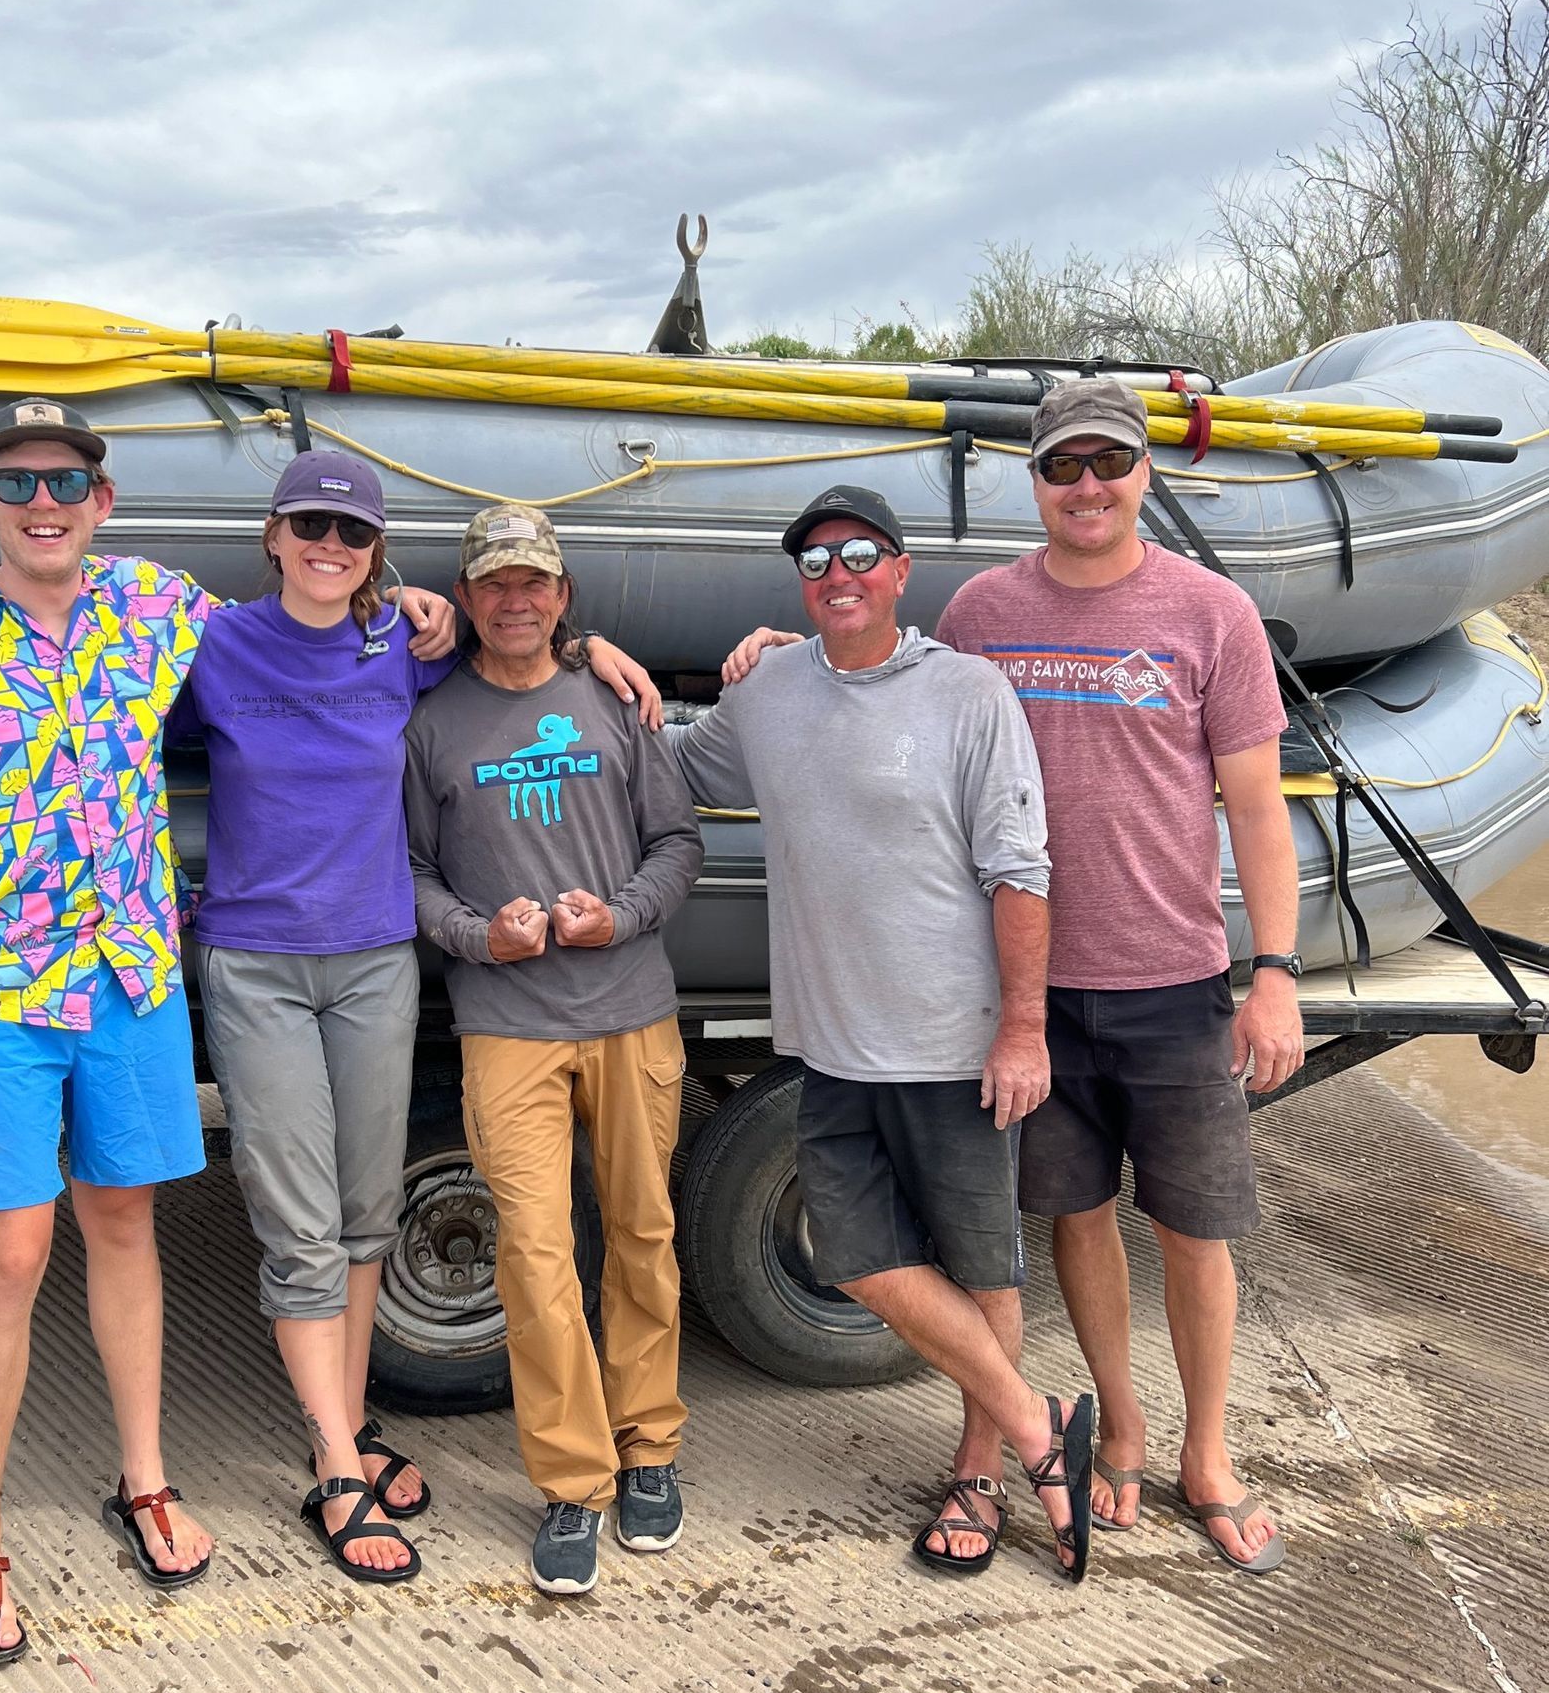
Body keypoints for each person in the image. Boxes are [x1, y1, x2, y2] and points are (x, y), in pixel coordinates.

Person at [0, 400, 460, 1662]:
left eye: (68, 478)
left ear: (103, 500)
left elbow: (312, 631)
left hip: (130, 975)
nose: (43, 500)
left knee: (125, 1225)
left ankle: (144, 1478)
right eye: (17, 481)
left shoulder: (160, 609)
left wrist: (455, 619)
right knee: (9, 1254)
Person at [172, 454, 661, 1586]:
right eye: (310, 524)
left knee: (367, 1213)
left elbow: (521, 659)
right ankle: (339, 1467)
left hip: (377, 956)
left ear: (377, 549)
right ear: (274, 534)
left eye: (351, 530)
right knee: (297, 1222)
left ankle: (342, 1422)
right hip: (260, 961)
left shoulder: (400, 643)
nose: (329, 545)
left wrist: (594, 653)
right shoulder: (214, 645)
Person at [674, 484, 1097, 1582]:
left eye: (859, 553)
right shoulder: (768, 692)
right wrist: (620, 675)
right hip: (827, 1044)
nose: (838, 574)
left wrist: (1022, 1029)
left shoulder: (967, 692)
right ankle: (1040, 1422)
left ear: (902, 572)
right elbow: (673, 766)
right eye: (815, 563)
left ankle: (979, 1470)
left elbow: (1021, 870)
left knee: (981, 1270)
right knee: (860, 1260)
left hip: (953, 1043)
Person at [937, 378, 1300, 1573]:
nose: (1085, 485)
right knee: (1076, 1218)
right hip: (1032, 997)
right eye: (1061, 466)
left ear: (1145, 472)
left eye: (1108, 462)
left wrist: (1276, 974)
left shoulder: (1211, 614)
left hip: (1174, 981)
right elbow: (899, 712)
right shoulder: (982, 613)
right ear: (1031, 480)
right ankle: (1123, 1426)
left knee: (1194, 1229)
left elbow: (1255, 810)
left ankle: (1208, 1451)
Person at [404, 506, 703, 1596]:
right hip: (507, 1028)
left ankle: (650, 1451)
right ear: (472, 597)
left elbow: (679, 843)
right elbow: (412, 874)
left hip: (629, 1008)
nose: (516, 600)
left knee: (641, 1233)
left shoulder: (615, 702)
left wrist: (613, 918)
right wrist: (480, 935)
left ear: (563, 597)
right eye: (495, 584)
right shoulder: (431, 724)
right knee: (533, 1257)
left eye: (535, 583)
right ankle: (572, 1482)